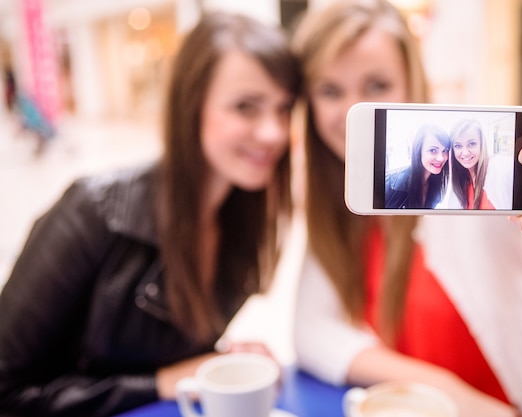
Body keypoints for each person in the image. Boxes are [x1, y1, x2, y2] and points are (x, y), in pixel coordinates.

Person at [289, 0, 522, 416]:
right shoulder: (343, 210)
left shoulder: (469, 173)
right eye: (330, 90)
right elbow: (312, 332)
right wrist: (444, 388)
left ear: (413, 83)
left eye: (377, 85)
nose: (352, 109)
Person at [0, 11, 300, 417]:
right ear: (190, 105)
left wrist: (223, 359)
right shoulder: (94, 213)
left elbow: (166, 350)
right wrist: (166, 380)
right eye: (246, 107)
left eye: (283, 109)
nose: (273, 132)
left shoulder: (242, 219)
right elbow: (7, 389)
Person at [385, 123, 450, 208]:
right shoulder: (390, 184)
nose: (441, 158)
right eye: (433, 150)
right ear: (418, 151)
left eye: (445, 150)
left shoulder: (438, 182)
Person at [449, 118, 495, 210]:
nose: (465, 152)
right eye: (458, 146)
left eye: (472, 144)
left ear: (482, 144)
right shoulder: (462, 180)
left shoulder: (495, 171)